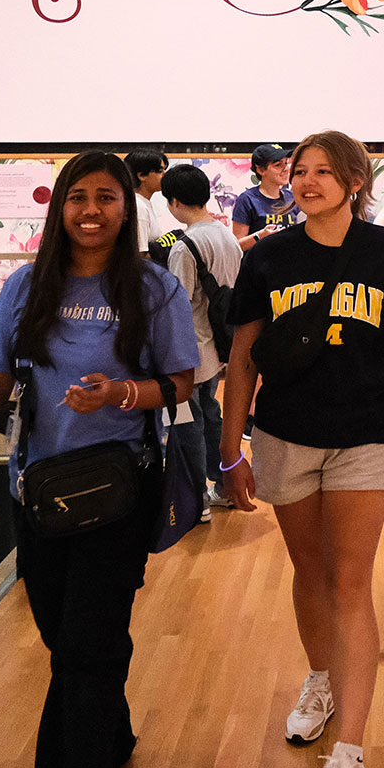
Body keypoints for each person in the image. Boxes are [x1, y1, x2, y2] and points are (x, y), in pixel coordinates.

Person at [0, 151, 199, 768]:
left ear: (127, 208)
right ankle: (111, 733)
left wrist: (122, 392)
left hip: (120, 491)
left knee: (83, 656)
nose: (92, 209)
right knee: (69, 640)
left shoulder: (153, 289)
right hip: (38, 494)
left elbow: (182, 383)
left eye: (107, 197)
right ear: (60, 207)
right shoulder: (25, 288)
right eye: (78, 196)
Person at [219, 131, 384, 768]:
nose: (307, 180)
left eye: (324, 171)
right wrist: (231, 449)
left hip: (366, 433)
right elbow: (242, 358)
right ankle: (321, 678)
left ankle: (349, 756)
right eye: (300, 170)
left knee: (350, 580)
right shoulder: (269, 256)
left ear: (355, 181)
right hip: (287, 433)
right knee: (310, 570)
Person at [159, 162, 242, 516]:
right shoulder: (224, 234)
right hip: (217, 348)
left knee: (185, 426)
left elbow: (177, 304)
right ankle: (223, 486)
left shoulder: (184, 246)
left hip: (187, 351)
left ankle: (195, 500)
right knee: (211, 417)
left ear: (175, 202)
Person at [231, 143, 296, 251]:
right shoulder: (247, 200)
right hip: (257, 264)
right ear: (261, 170)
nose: (286, 169)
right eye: (278, 165)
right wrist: (259, 236)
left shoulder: (292, 198)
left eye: (286, 163)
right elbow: (236, 246)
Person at [125, 149, 170, 252]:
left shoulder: (142, 202)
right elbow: (140, 255)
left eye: (164, 170)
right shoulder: (138, 206)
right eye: (160, 171)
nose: (165, 175)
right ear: (141, 175)